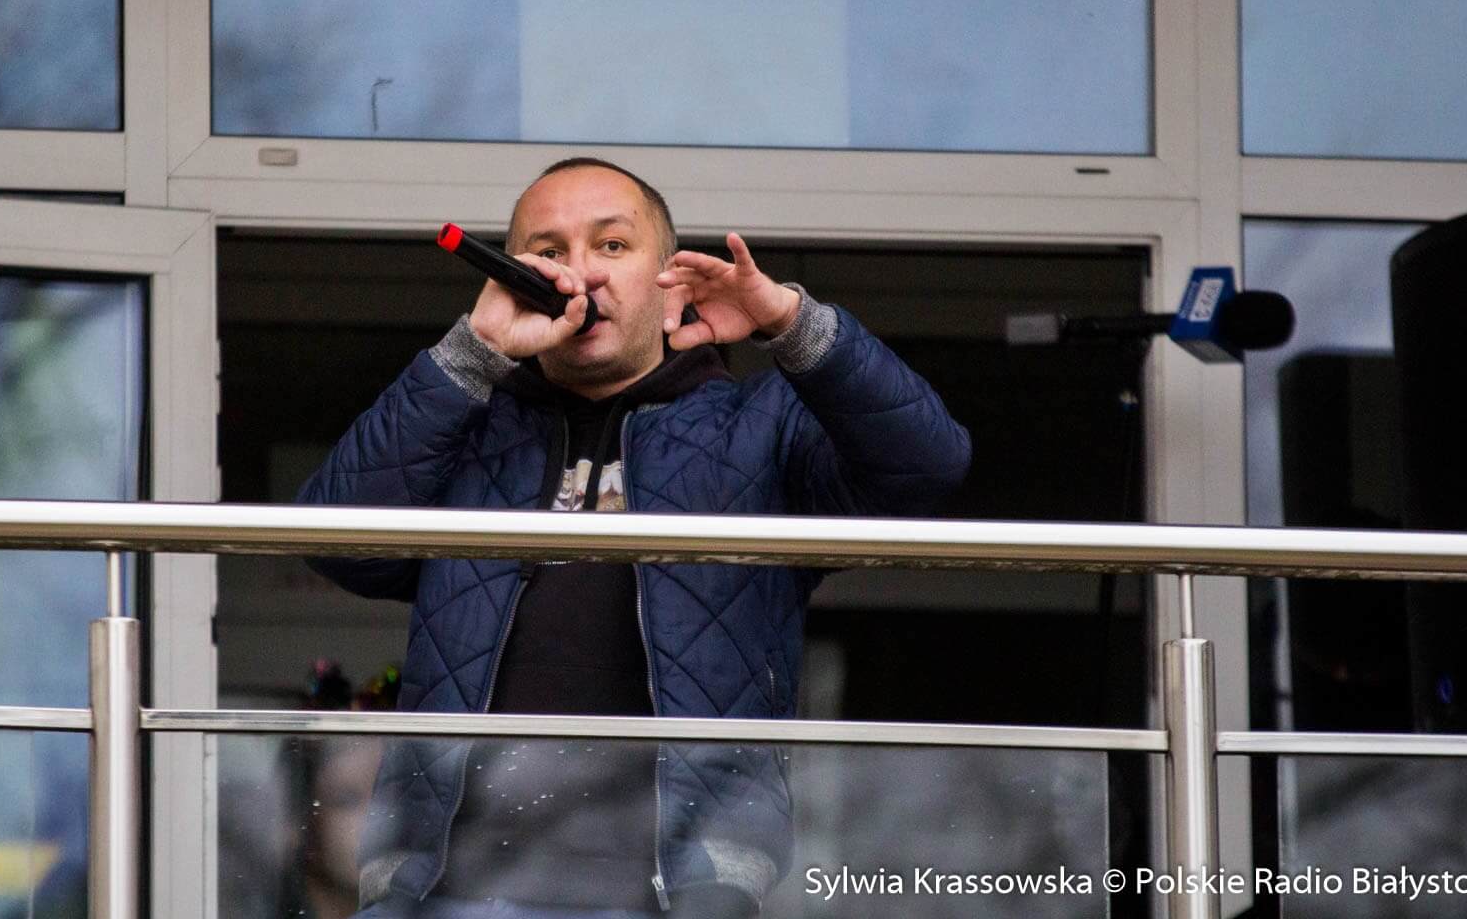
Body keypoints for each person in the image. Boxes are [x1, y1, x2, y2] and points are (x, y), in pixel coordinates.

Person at [300, 158, 971, 918]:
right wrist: (471, 353)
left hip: (682, 893)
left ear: (669, 279)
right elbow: (337, 542)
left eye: (612, 245)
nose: (580, 271)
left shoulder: (759, 428)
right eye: (548, 252)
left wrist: (788, 321)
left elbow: (927, 465)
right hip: (446, 890)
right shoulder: (467, 422)